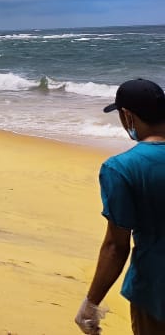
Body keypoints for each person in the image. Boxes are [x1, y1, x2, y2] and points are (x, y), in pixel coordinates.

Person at [76, 78, 165, 335]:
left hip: (155, 291)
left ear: (127, 116)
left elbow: (116, 246)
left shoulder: (121, 168)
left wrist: (91, 303)